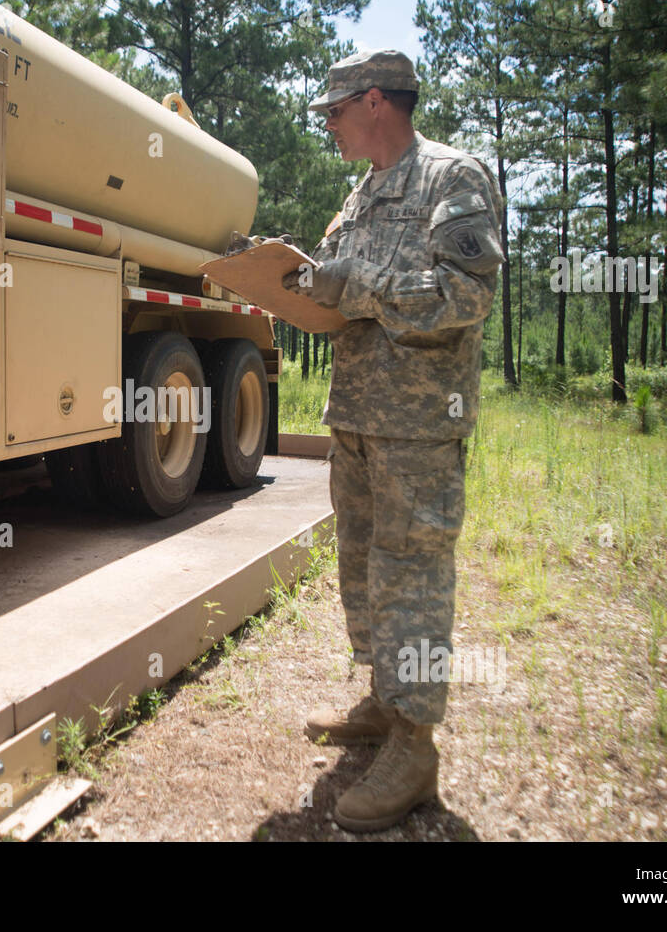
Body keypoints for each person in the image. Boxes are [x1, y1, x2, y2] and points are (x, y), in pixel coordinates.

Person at [281, 49, 503, 832]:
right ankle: (385, 695)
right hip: (360, 417)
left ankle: (415, 744)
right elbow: (343, 288)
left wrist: (360, 287)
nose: (329, 126)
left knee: (413, 571)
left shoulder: (453, 178)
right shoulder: (364, 193)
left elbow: (467, 294)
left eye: (334, 111)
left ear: (375, 101)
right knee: (366, 563)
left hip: (417, 425)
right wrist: (301, 285)